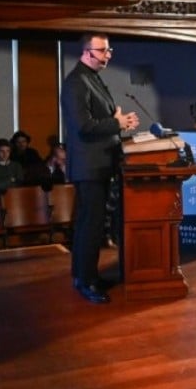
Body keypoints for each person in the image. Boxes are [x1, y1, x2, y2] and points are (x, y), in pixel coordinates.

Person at [62, 32, 138, 304]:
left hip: (100, 164)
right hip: (90, 167)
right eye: (103, 50)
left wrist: (118, 122)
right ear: (86, 52)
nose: (108, 55)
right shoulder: (76, 83)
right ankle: (86, 282)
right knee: (90, 227)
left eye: (109, 50)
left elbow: (99, 120)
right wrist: (116, 123)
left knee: (92, 225)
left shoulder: (91, 78)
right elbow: (84, 126)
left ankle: (85, 275)